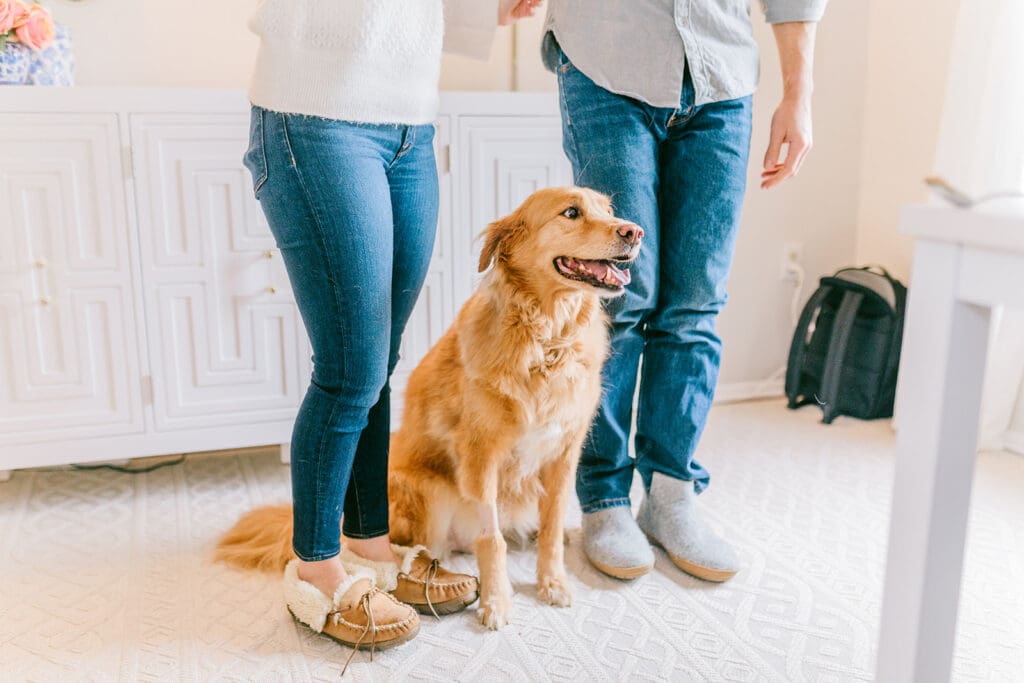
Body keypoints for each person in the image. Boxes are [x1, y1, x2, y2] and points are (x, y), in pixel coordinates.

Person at [242, 0, 541, 651]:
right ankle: (316, 567)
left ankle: (369, 543)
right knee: (350, 370)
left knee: (375, 365)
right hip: (316, 111)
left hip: (409, 118)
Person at [541, 0, 827, 582]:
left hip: (720, 74)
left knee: (695, 304)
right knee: (620, 299)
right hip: (606, 62)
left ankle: (672, 495)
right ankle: (604, 499)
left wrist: (798, 93)